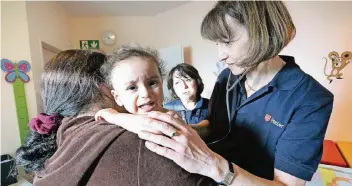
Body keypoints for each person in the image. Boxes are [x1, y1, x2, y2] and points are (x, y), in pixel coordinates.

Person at [99, 1, 334, 186]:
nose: (220, 55)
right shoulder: (227, 78)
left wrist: (213, 165)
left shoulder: (311, 99)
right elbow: (214, 125)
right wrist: (184, 132)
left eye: (227, 42)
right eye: (216, 44)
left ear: (263, 31)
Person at [14, 49, 216, 186]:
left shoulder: (61, 136)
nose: (145, 94)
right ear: (109, 90)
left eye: (152, 82)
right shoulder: (140, 141)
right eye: (131, 87)